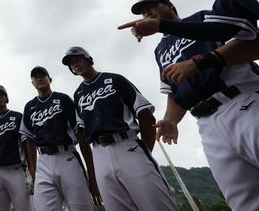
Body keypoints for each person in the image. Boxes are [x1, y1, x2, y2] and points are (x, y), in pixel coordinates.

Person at [120, 0, 259, 211]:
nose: (146, 13)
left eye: (151, 6)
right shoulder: (160, 50)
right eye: (142, 12)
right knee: (251, 205)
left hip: (245, 102)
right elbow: (174, 91)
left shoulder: (203, 18)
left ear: (169, 4)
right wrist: (171, 120)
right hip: (206, 125)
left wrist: (201, 61)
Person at [62, 46, 179, 211]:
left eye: (78, 59)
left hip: (127, 145)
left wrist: (145, 151)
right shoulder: (78, 94)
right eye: (71, 63)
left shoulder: (115, 79)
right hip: (99, 153)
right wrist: (92, 175)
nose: (75, 64)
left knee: (157, 204)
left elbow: (145, 115)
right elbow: (81, 134)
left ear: (88, 58)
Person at [20, 66, 98, 211]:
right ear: (32, 83)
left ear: (49, 79)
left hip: (67, 156)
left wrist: (91, 173)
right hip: (43, 161)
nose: (39, 78)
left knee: (80, 207)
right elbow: (28, 139)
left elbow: (80, 134)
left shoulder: (63, 99)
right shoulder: (30, 107)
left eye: (42, 75)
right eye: (35, 77)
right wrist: (33, 171)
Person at [0, 85, 33, 211]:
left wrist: (30, 172)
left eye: (1, 95)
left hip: (15, 169)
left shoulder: (17, 117)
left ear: (6, 98)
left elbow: (27, 145)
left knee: (24, 208)